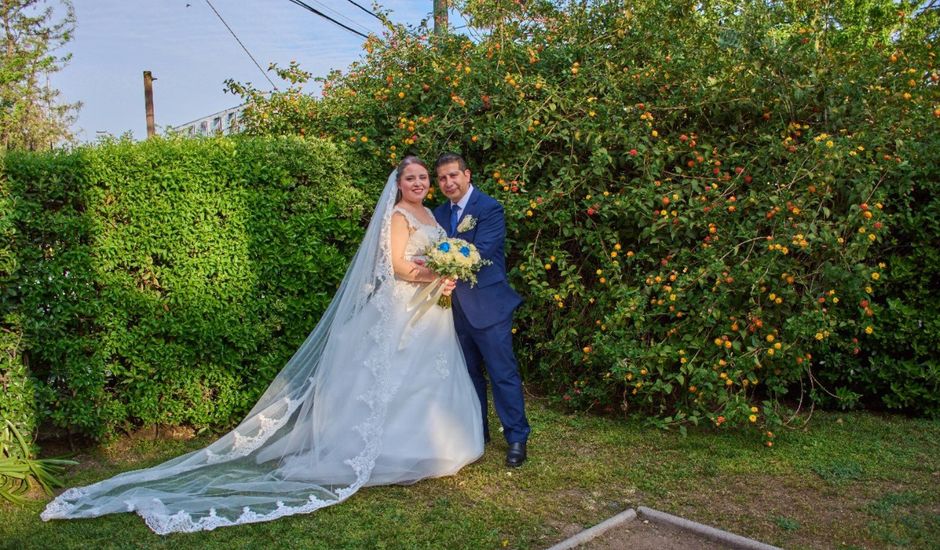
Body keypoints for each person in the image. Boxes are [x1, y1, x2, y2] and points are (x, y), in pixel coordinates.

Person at [41, 156, 484, 534]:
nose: (421, 183)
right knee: (391, 378)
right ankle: (389, 451)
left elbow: (431, 257)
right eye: (413, 178)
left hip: (429, 312)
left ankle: (437, 442)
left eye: (425, 178)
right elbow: (401, 266)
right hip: (403, 307)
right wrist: (435, 273)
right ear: (398, 184)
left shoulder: (432, 216)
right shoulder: (398, 218)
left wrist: (448, 273)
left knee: (427, 377)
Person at [432, 153, 530, 468]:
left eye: (453, 176)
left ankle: (516, 437)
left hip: (489, 306)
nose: (448, 183)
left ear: (467, 174)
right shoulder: (436, 213)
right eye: (443, 178)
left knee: (502, 374)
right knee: (468, 374)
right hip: (452, 309)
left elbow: (482, 251)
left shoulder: (489, 209)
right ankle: (478, 432)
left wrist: (445, 263)